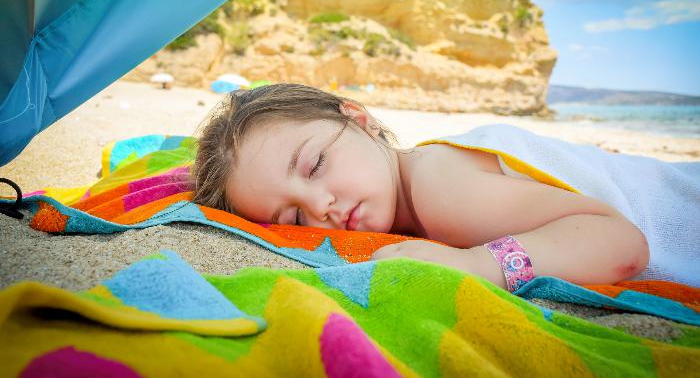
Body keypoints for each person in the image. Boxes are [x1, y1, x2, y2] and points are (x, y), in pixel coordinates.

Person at [191, 83, 698, 291]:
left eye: (316, 165)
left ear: (361, 120)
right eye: (294, 218)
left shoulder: (441, 190)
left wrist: (477, 264)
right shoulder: (413, 186)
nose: (320, 205)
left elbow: (620, 243)